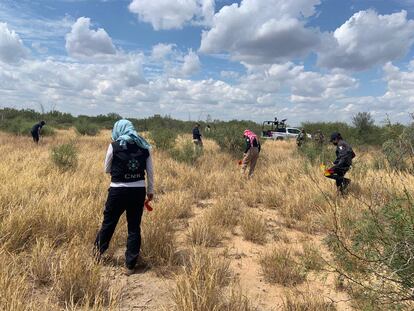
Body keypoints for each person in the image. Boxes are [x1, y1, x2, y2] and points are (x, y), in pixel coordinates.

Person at [94, 119, 154, 276]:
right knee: (134, 227)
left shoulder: (114, 146)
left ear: (118, 129)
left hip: (117, 191)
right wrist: (150, 191)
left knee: (109, 223)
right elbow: (150, 172)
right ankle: (130, 265)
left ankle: (97, 254)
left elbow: (107, 169)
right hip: (138, 191)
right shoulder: (144, 145)